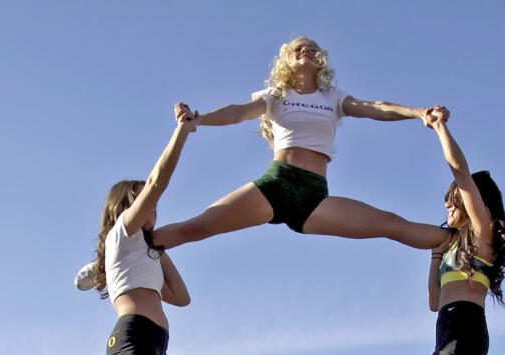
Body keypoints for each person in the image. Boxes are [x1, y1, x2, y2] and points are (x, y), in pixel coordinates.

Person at [153, 37, 453, 252]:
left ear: (319, 60)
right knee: (198, 227)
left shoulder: (333, 97)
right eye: (299, 48)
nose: (306, 51)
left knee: (388, 223)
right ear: (287, 59)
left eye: (312, 49)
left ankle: (462, 240)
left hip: (314, 195)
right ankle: (134, 243)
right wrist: (199, 119)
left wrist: (418, 113)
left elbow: (374, 107)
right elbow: (238, 112)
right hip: (277, 184)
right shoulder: (275, 95)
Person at [80, 103, 197, 355]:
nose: (153, 206)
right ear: (125, 206)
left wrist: (160, 247)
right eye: (142, 199)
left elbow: (181, 296)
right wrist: (182, 132)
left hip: (157, 345)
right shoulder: (123, 233)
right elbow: (158, 180)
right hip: (133, 337)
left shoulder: (145, 249)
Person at [422, 106, 505, 355]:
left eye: (452, 201)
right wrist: (436, 258)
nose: (447, 208)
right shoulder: (453, 247)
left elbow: (462, 173)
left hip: (464, 325)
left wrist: (440, 130)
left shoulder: (482, 236)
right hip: (447, 326)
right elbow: (434, 302)